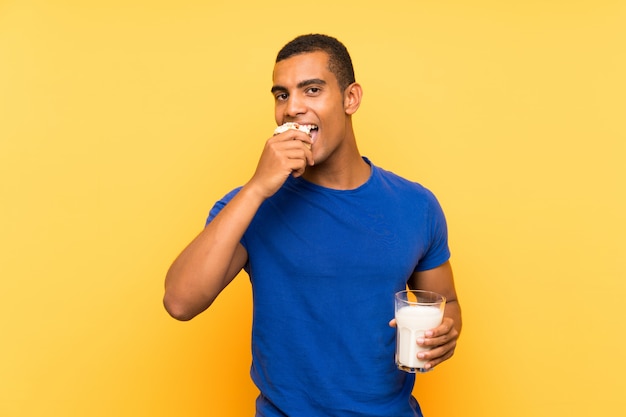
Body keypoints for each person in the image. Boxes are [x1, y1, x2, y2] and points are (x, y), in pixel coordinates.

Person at [164, 34, 462, 417]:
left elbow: (446, 301)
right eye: (282, 95)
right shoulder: (251, 205)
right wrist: (257, 188)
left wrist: (447, 331)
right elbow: (180, 302)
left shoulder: (416, 205)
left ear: (350, 98)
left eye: (312, 90)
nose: (293, 108)